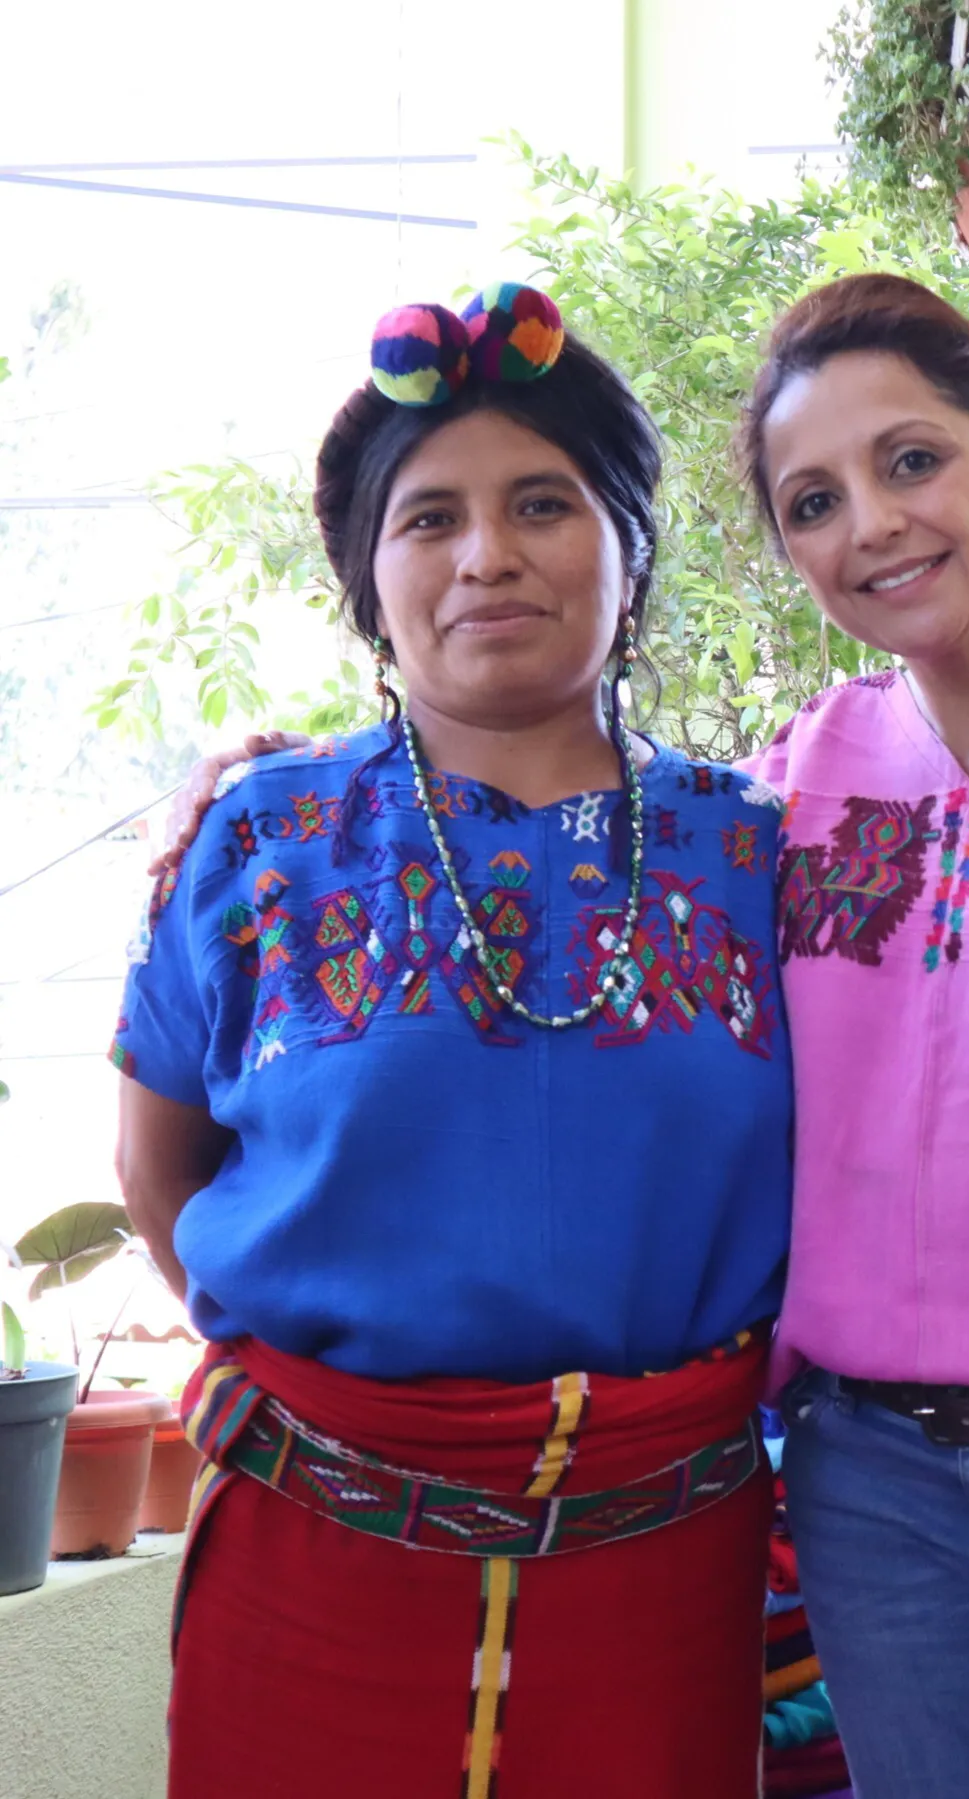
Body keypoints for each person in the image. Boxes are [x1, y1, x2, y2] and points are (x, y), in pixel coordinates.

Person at [164, 273, 969, 1799]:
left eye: (911, 460)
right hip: (882, 1487)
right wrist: (252, 778)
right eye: (811, 500)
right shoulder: (800, 780)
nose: (870, 523)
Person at [112, 284, 791, 1799]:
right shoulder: (256, 840)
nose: (486, 553)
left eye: (542, 503)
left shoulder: (759, 856)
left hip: (667, 1570)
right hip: (317, 1565)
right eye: (428, 520)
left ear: (629, 549)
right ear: (369, 580)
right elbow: (158, 1176)